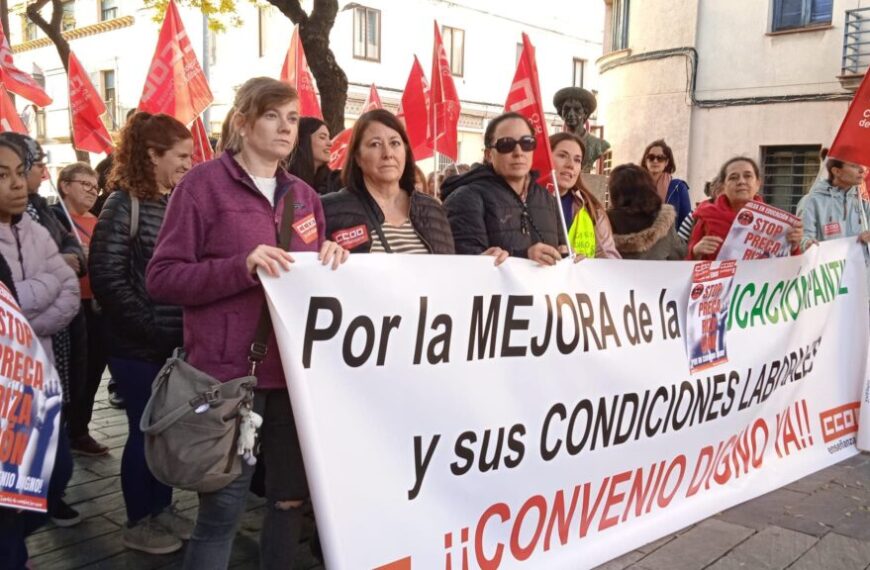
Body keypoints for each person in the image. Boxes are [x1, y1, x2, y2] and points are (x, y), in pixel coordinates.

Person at [146, 77, 347, 570]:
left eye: (293, 118)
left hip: (296, 377)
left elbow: (309, 280)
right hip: (230, 379)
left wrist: (332, 257)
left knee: (288, 506)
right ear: (242, 122)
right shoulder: (202, 186)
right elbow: (163, 278)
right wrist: (241, 266)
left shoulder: (304, 196)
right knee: (222, 514)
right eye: (272, 115)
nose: (285, 128)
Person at [89, 112, 193, 555]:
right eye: (182, 156)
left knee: (165, 432)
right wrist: (152, 330)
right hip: (136, 347)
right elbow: (108, 277)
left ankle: (161, 508)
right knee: (143, 431)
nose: (189, 164)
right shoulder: (120, 205)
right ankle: (138, 521)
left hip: (170, 345)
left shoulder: (173, 202)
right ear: (153, 155)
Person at [0, 135, 78, 561]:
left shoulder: (36, 227)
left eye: (18, 172)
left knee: (57, 472)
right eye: (2, 176)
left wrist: (27, 320)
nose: (16, 184)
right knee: (10, 523)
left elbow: (68, 290)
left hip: (37, 383)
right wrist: (41, 291)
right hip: (5, 401)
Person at [322, 109, 454, 254]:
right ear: (357, 157)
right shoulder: (330, 209)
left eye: (395, 143)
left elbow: (448, 271)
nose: (388, 154)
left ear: (405, 151)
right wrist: (322, 252)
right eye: (375, 144)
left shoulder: (433, 210)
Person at [443, 112, 565, 265]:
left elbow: (561, 251)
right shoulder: (465, 198)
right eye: (506, 144)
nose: (518, 152)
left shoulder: (548, 200)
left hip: (546, 289)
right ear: (488, 155)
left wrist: (572, 261)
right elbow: (462, 264)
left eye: (527, 143)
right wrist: (524, 257)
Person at [52, 163, 110, 457]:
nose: (91, 191)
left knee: (93, 369)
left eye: (95, 186)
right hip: (66, 305)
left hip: (96, 304)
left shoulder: (98, 221)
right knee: (68, 370)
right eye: (84, 184)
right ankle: (61, 430)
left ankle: (79, 429)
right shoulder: (52, 219)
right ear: (64, 185)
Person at [688, 157, 804, 260]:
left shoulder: (778, 224)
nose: (741, 182)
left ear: (758, 183)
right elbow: (688, 265)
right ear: (723, 185)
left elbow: (791, 270)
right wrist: (696, 252)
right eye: (733, 177)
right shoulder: (707, 217)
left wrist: (793, 246)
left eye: (748, 176)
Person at [550, 133, 620, 259]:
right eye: (562, 156)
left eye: (577, 160)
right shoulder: (523, 202)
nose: (570, 165)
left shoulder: (593, 210)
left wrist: (586, 265)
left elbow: (611, 264)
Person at [606, 164, 686, 260]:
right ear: (648, 188)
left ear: (614, 193)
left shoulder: (601, 224)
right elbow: (681, 255)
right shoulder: (664, 223)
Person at [796, 153, 870, 245]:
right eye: (854, 165)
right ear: (837, 171)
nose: (862, 170)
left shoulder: (864, 201)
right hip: (824, 258)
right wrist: (807, 244)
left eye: (861, 165)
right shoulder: (811, 201)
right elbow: (800, 240)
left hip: (860, 259)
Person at [553, 87, 610, 172]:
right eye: (567, 109)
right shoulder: (554, 143)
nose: (571, 114)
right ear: (561, 113)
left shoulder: (598, 145)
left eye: (576, 110)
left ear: (585, 113)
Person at [640, 139, 692, 229]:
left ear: (667, 162)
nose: (655, 161)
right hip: (641, 241)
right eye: (651, 157)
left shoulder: (678, 187)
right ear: (645, 161)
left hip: (669, 242)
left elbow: (685, 225)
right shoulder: (636, 187)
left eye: (660, 158)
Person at [287, 117, 341, 195]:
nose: (330, 143)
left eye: (329, 138)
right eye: (322, 137)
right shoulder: (283, 180)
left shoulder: (335, 182)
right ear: (304, 141)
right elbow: (291, 206)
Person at [677, 175, 723, 243]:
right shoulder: (694, 215)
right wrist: (695, 251)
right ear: (715, 193)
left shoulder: (740, 216)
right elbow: (679, 246)